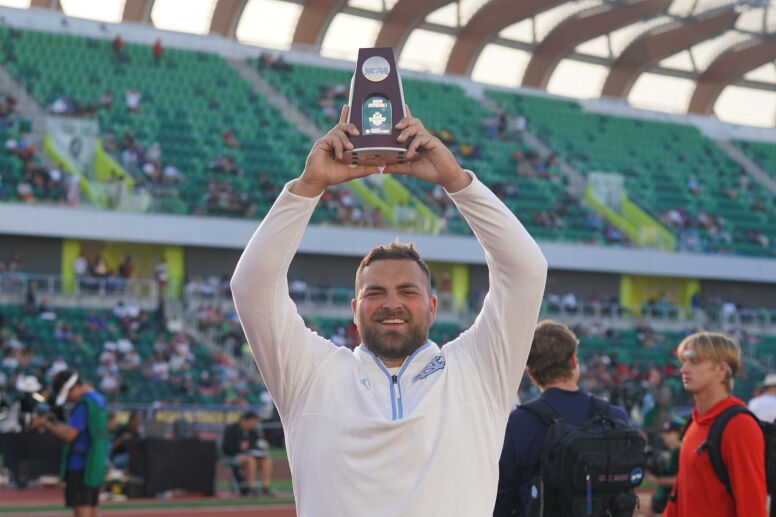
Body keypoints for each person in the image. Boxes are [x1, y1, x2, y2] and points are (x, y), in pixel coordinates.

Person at [230, 105, 547, 515]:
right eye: (375, 292)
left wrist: (456, 182)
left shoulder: (480, 370)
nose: (392, 303)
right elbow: (251, 287)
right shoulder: (309, 374)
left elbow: (525, 270)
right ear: (355, 308)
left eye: (407, 291)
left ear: (432, 306)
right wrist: (309, 187)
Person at [493, 320, 629, 516]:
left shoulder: (518, 423)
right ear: (573, 360)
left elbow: (502, 502)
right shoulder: (614, 416)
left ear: (531, 371)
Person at [664, 332, 766, 517]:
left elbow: (752, 506)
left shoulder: (739, 425)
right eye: (683, 362)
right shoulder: (695, 422)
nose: (683, 370)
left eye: (694, 362)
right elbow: (679, 497)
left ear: (721, 369)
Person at [30, 369, 108, 517]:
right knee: (92, 508)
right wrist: (54, 422)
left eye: (68, 394)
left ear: (75, 387)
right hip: (94, 464)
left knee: (81, 510)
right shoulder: (98, 400)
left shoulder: (84, 404)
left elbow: (70, 435)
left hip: (81, 465)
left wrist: (46, 425)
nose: (68, 399)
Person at [221, 411, 274, 496]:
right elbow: (226, 447)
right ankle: (251, 488)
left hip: (251, 456)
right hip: (234, 456)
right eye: (251, 422)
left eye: (254, 422)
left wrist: (262, 446)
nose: (252, 424)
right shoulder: (231, 429)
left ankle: (265, 487)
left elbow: (256, 444)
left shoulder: (253, 431)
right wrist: (239, 447)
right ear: (243, 420)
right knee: (250, 460)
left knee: (266, 460)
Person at [642, 417, 683, 516]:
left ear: (678, 434)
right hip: (663, 498)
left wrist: (657, 480)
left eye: (669, 433)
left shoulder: (680, 451)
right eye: (664, 433)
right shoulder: (671, 451)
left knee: (629, 504)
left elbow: (681, 480)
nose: (665, 436)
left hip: (668, 500)